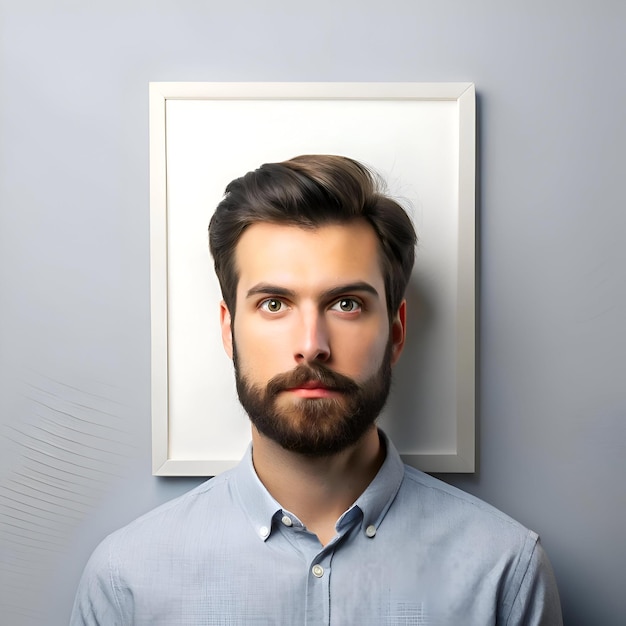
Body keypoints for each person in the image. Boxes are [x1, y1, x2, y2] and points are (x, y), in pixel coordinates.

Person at [71, 155, 562, 624]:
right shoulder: (126, 580)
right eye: (274, 304)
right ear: (229, 331)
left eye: (346, 304)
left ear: (395, 331)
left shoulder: (504, 571)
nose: (311, 347)